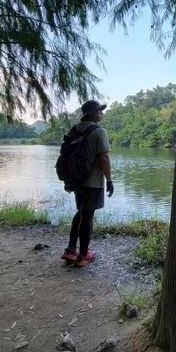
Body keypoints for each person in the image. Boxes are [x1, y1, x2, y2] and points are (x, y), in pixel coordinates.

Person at [60, 100, 114, 268]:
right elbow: (104, 158)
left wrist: (68, 180)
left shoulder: (74, 129)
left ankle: (70, 250)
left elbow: (66, 154)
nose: (101, 113)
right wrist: (109, 180)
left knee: (81, 212)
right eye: (99, 111)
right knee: (88, 216)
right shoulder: (99, 131)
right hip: (93, 182)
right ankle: (83, 256)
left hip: (77, 179)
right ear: (91, 113)